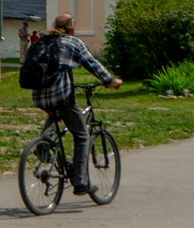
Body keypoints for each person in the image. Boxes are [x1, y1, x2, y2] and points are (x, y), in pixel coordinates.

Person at [26, 13, 123, 195]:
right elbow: (92, 64)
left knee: (58, 116)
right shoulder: (72, 42)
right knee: (82, 135)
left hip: (39, 96)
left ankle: (43, 146)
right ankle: (80, 182)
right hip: (61, 95)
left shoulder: (42, 40)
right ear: (72, 28)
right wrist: (111, 81)